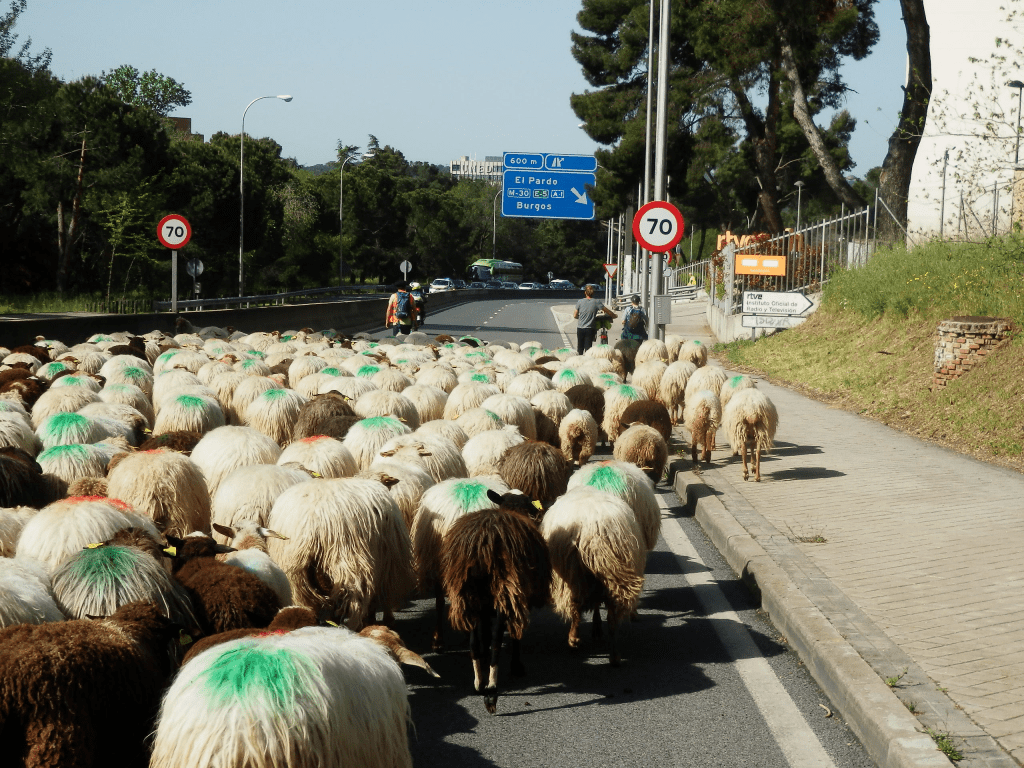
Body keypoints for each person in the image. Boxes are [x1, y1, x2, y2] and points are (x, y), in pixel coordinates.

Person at [573, 284, 617, 354]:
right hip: (590, 329)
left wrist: (580, 317)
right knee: (588, 349)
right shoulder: (597, 302)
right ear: (593, 293)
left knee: (580, 348)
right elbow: (607, 311)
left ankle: (579, 359)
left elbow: (575, 315)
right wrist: (614, 315)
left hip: (580, 328)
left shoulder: (580, 301)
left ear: (585, 292)